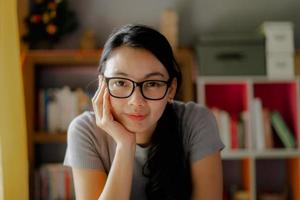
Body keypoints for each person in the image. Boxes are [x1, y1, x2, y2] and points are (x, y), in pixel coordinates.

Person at [64, 24, 225, 200]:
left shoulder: (196, 121)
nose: (136, 101)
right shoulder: (85, 130)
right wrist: (125, 146)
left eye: (152, 84)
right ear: (102, 85)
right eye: (120, 82)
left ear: (171, 89)